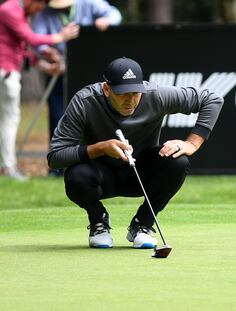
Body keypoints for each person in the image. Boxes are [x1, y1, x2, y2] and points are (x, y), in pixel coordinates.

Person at [47, 57, 224, 248]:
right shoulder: (85, 101)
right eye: (122, 94)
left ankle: (143, 224)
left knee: (178, 162)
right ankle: (99, 221)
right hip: (99, 176)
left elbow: (212, 99)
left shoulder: (155, 95)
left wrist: (192, 143)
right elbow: (55, 157)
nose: (130, 101)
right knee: (76, 176)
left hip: (140, 173)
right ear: (107, 89)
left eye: (135, 93)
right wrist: (100, 148)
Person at [31, 0, 122, 176]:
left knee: (94, 114)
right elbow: (37, 39)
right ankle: (58, 166)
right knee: (58, 116)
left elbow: (115, 14)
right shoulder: (45, 13)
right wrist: (46, 50)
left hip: (89, 68)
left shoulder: (89, 3)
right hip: (60, 70)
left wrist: (106, 21)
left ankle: (98, 161)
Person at [0, 0, 79, 180]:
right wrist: (60, 37)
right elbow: (31, 38)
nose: (39, 11)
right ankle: (8, 168)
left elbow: (22, 49)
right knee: (9, 121)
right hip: (5, 72)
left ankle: (5, 166)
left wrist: (44, 64)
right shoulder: (9, 9)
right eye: (39, 5)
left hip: (8, 71)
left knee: (6, 120)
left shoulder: (21, 13)